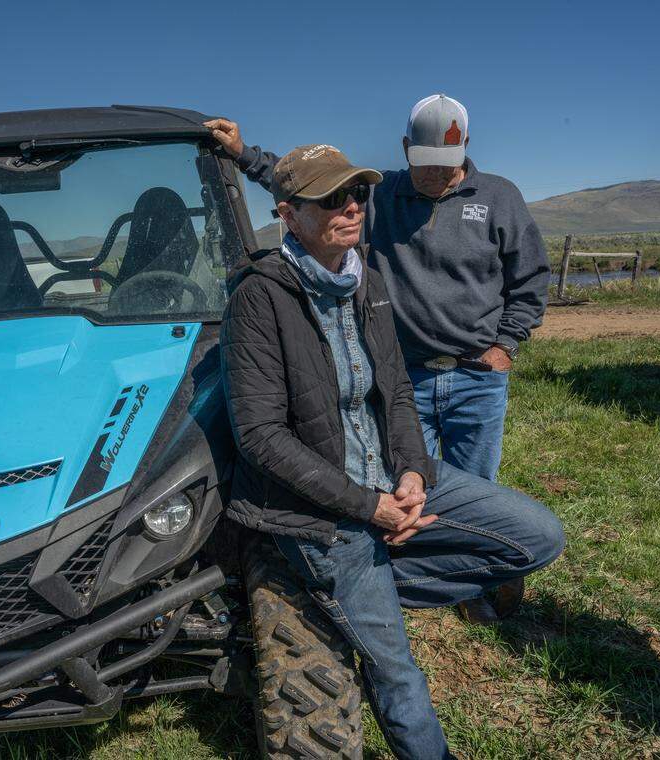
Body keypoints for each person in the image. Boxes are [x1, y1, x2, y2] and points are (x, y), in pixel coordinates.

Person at [220, 143, 565, 759]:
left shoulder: (366, 281)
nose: (351, 207)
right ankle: (350, 592)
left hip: (388, 477)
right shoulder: (259, 296)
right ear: (287, 214)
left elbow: (398, 393)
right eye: (330, 198)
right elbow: (261, 438)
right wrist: (368, 507)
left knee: (537, 537)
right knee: (397, 670)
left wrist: (410, 471)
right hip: (322, 507)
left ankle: (339, 592)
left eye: (356, 194)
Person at [207, 94, 550, 622]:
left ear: (465, 155)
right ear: (406, 149)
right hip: (404, 376)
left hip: (477, 375)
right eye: (423, 165)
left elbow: (529, 280)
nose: (433, 177)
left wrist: (506, 344)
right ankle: (390, 584)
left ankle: (472, 585)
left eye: (445, 167)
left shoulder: (500, 198)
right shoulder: (381, 194)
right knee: (404, 491)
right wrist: (244, 153)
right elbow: (306, 187)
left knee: (476, 487)